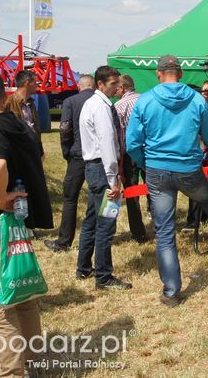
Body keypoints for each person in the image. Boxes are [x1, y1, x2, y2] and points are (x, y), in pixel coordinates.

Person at [126, 55, 208, 307]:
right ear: (180, 74)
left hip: (157, 170)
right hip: (188, 168)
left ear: (159, 74)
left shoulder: (145, 100)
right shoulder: (196, 99)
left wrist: (145, 163)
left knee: (164, 232)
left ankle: (171, 292)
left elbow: (132, 144)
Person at [0, 70, 54, 378]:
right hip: (20, 224)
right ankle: (35, 362)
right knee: (24, 299)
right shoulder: (18, 124)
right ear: (4, 97)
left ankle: (13, 372)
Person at [76, 65, 132, 290]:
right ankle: (104, 276)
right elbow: (108, 144)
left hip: (94, 168)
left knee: (91, 220)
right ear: (100, 84)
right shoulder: (100, 107)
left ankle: (84, 267)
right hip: (102, 170)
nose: (117, 87)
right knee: (106, 224)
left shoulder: (92, 104)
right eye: (112, 84)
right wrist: (113, 180)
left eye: (118, 83)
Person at [45, 74, 95, 252]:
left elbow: (64, 128)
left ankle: (64, 241)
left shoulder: (71, 101)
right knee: (98, 197)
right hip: (97, 156)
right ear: (94, 86)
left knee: (70, 198)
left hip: (77, 155)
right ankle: (101, 235)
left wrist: (66, 150)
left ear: (79, 86)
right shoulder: (102, 101)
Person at [183, 80, 208, 233]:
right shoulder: (197, 107)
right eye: (206, 94)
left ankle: (206, 217)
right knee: (196, 187)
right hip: (200, 152)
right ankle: (193, 221)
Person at [114, 74, 148, 243]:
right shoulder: (147, 100)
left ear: (122, 88)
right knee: (155, 190)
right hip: (150, 151)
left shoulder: (119, 105)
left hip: (130, 153)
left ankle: (139, 232)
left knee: (132, 192)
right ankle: (160, 224)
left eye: (116, 88)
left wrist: (119, 161)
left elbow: (120, 136)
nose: (114, 91)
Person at [5, 70, 40, 138]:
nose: (37, 85)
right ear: (27, 83)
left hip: (32, 146)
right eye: (35, 82)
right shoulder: (9, 102)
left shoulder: (31, 103)